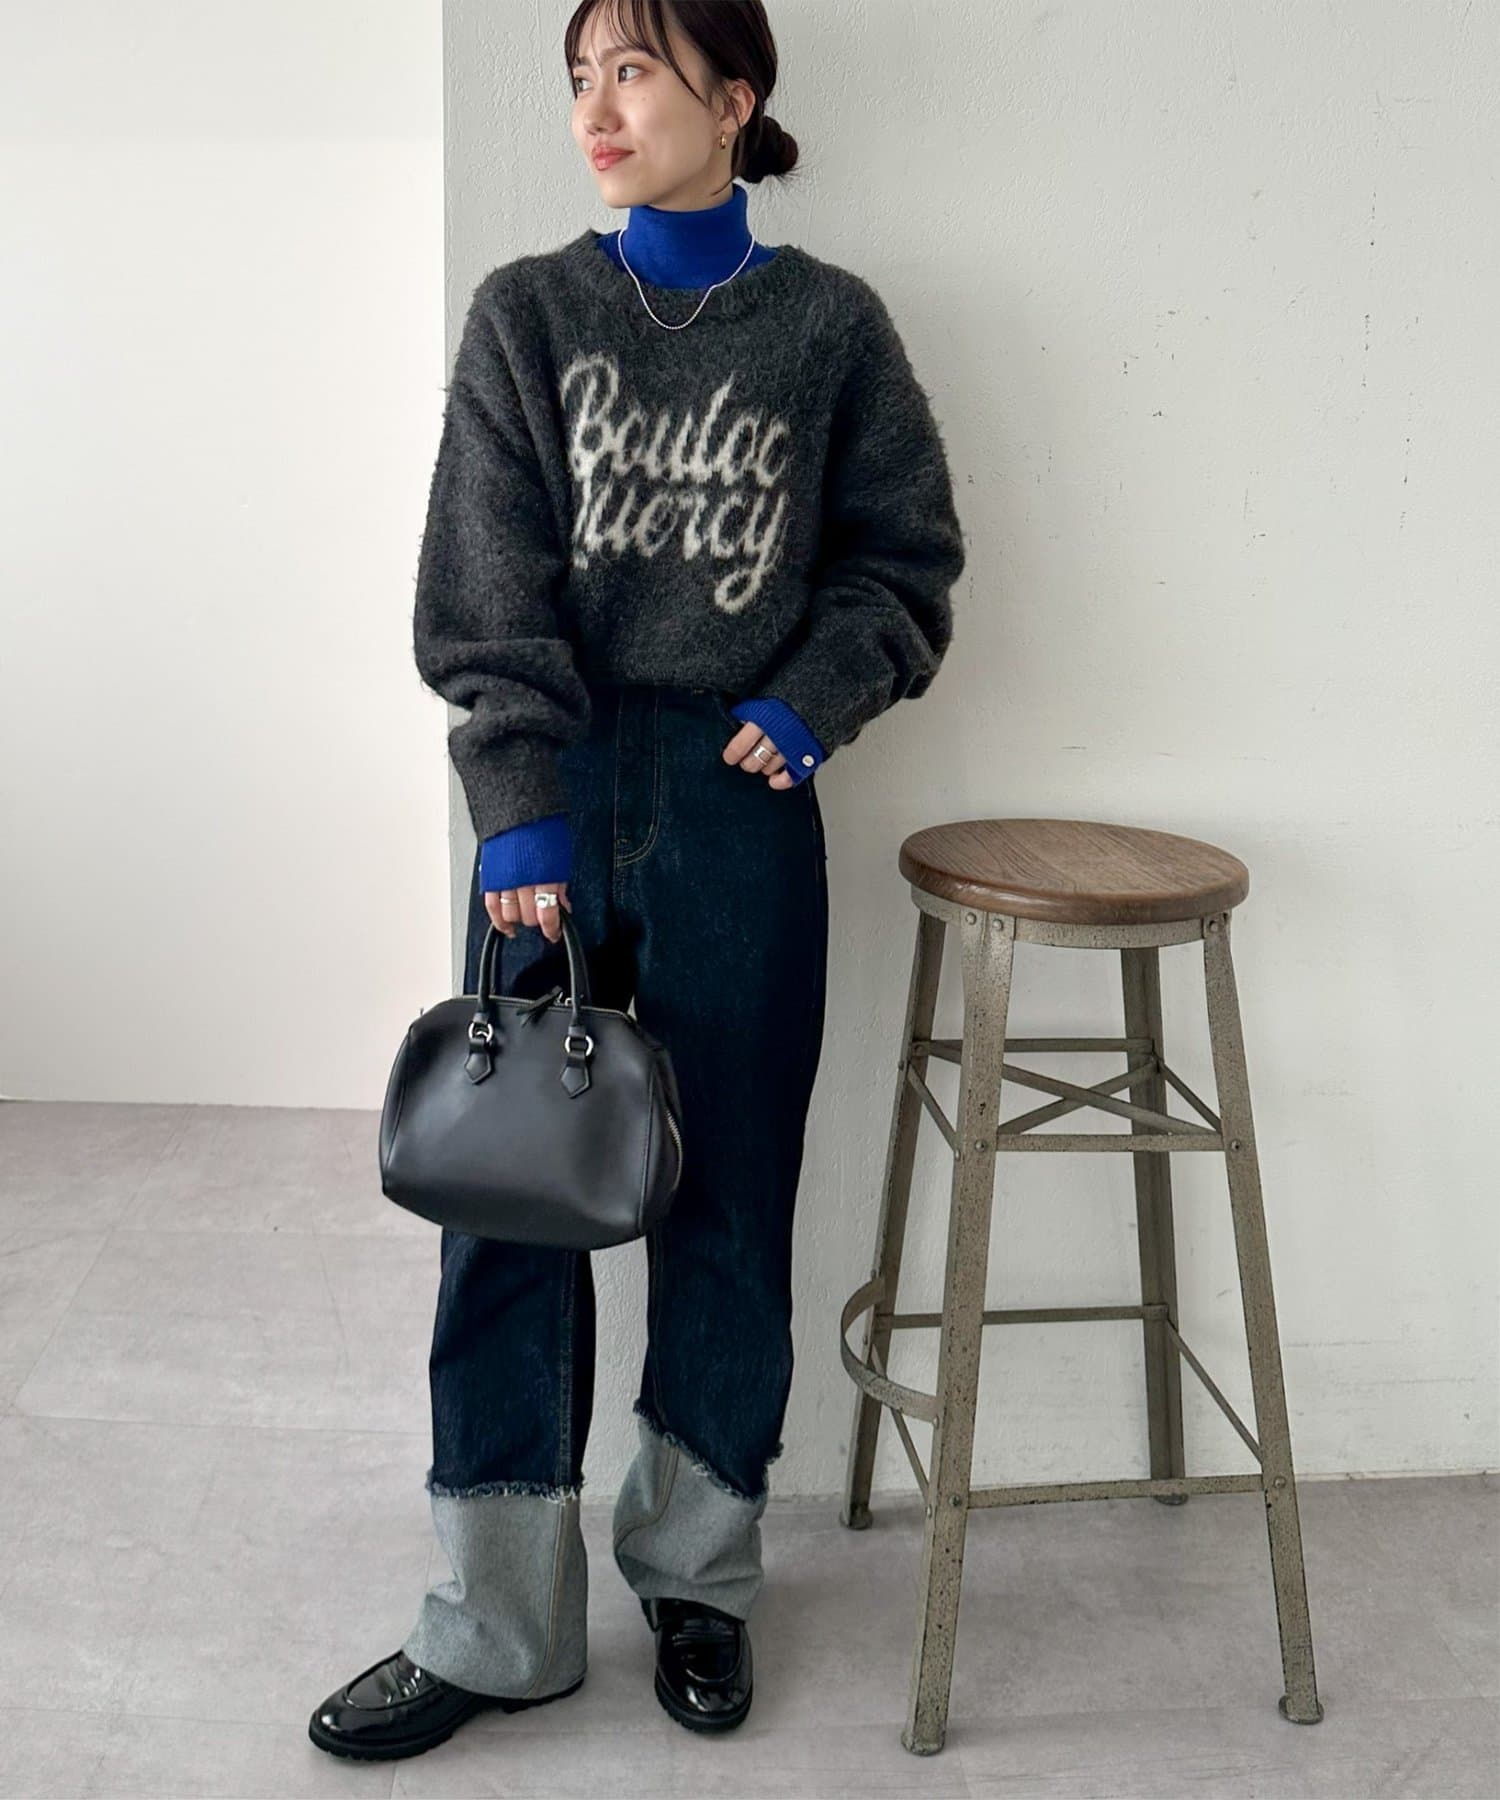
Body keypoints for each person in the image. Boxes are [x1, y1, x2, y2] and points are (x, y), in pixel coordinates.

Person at [309, 0, 965, 1763]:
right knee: (507, 1192)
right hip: (560, 791)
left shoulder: (830, 328)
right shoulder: (529, 314)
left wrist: (814, 701)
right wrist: (515, 799)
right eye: (580, 77)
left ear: (733, 98)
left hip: (741, 803)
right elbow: (482, 571)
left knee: (730, 1191)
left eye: (637, 72)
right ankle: (499, 1621)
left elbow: (906, 557)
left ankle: (698, 1576)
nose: (598, 108)